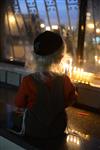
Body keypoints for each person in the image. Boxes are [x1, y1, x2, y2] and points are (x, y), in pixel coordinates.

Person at [15, 31, 77, 139]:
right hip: (57, 128)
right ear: (60, 57)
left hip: (33, 129)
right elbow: (72, 99)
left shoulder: (28, 81)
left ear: (34, 57)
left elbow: (19, 103)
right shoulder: (65, 80)